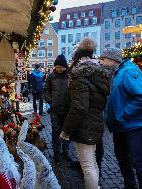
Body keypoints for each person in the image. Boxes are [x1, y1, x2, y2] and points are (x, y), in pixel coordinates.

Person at [60, 38, 112, 189]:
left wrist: (65, 131)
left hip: (84, 125)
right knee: (92, 163)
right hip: (96, 122)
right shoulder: (100, 74)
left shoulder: (80, 75)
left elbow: (79, 107)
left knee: (88, 166)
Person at [102, 48, 142, 189]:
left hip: (132, 127)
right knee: (123, 160)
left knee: (138, 163)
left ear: (113, 60)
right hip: (119, 126)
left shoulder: (129, 72)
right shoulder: (117, 73)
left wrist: (124, 114)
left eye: (104, 59)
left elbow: (140, 97)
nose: (101, 63)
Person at [43, 55, 71, 161]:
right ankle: (56, 151)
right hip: (55, 109)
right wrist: (50, 100)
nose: (58, 69)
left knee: (67, 131)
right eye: (56, 67)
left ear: (65, 66)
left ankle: (66, 150)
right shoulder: (51, 76)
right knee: (56, 130)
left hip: (68, 109)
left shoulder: (70, 76)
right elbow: (45, 89)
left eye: (60, 67)